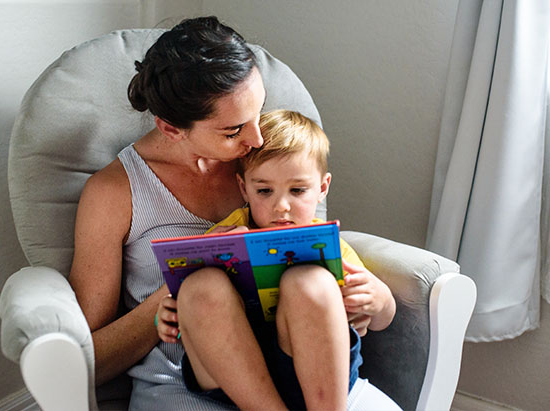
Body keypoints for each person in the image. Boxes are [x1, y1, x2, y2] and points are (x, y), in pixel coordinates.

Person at [69, 16, 399, 410]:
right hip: (188, 376)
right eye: (233, 130)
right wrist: (171, 297)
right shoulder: (113, 193)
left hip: (300, 362)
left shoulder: (264, 159)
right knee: (203, 291)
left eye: (258, 112)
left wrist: (373, 297)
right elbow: (87, 362)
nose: (256, 138)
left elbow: (320, 248)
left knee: (309, 284)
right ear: (172, 128)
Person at [156, 109, 399, 410]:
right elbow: (188, 304)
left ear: (322, 188)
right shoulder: (226, 233)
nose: (281, 206)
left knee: (311, 282)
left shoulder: (326, 243)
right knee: (200, 286)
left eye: (297, 190)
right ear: (244, 188)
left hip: (315, 375)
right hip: (235, 377)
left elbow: (380, 320)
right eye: (264, 191)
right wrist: (169, 311)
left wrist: (379, 300)